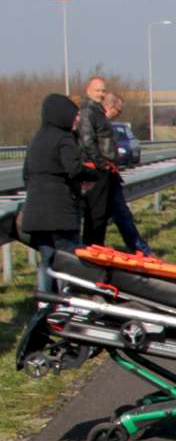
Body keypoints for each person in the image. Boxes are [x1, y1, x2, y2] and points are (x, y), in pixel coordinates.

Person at [23, 94, 98, 295]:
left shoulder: (36, 139)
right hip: (60, 211)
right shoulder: (64, 138)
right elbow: (74, 169)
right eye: (74, 116)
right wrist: (94, 173)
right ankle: (67, 302)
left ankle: (44, 300)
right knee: (68, 259)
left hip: (35, 211)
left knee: (47, 258)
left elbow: (26, 174)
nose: (77, 120)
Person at [101, 94, 155, 256]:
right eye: (119, 111)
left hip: (109, 174)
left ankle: (140, 249)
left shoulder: (103, 124)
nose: (119, 114)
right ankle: (141, 251)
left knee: (121, 214)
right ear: (110, 107)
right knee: (120, 215)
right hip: (104, 175)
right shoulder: (99, 125)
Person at [76, 76, 116, 247]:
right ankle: (92, 250)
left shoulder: (98, 110)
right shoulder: (87, 112)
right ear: (88, 91)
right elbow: (87, 141)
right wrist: (101, 164)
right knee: (96, 215)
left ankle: (96, 248)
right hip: (95, 169)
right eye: (97, 90)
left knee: (102, 214)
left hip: (104, 169)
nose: (101, 94)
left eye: (103, 90)